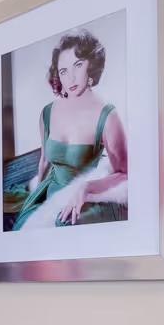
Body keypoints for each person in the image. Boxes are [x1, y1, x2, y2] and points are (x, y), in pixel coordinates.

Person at [12, 29, 128, 230]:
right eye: (63, 71)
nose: (71, 78)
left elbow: (125, 173)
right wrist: (34, 199)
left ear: (90, 65)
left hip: (85, 201)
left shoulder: (107, 115)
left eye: (78, 65)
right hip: (49, 198)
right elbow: (44, 161)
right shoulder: (47, 113)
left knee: (63, 227)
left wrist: (86, 187)